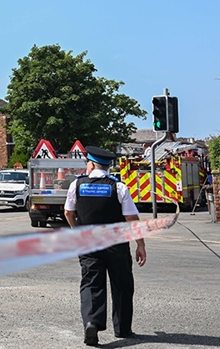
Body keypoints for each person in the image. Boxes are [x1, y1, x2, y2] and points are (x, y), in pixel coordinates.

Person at [64, 146, 147, 347]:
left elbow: (68, 212)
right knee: (122, 285)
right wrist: (140, 245)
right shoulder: (118, 187)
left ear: (91, 164)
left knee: (92, 284)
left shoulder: (76, 185)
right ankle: (122, 328)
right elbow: (131, 218)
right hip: (116, 245)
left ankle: (92, 321)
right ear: (107, 166)